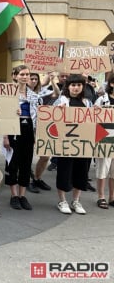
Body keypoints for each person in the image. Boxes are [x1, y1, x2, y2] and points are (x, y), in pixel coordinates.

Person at [54, 74, 91, 215]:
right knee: (64, 170)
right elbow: (50, 116)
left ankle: (76, 200)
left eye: (79, 85)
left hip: (82, 144)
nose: (76, 88)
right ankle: (62, 200)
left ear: (83, 87)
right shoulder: (62, 100)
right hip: (66, 144)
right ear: (68, 86)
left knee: (81, 172)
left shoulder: (87, 102)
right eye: (73, 85)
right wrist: (59, 110)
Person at [3, 65, 38, 211]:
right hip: (13, 130)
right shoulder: (8, 93)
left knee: (26, 163)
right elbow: (3, 116)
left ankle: (23, 195)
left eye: (27, 74)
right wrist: (5, 136)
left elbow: (39, 116)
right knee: (12, 163)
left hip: (29, 130)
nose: (25, 77)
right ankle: (14, 195)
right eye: (22, 74)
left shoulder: (34, 96)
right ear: (15, 76)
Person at [93, 73, 114, 209]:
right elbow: (92, 117)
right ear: (112, 84)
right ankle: (101, 196)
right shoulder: (102, 100)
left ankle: (112, 197)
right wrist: (96, 111)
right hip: (105, 136)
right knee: (103, 168)